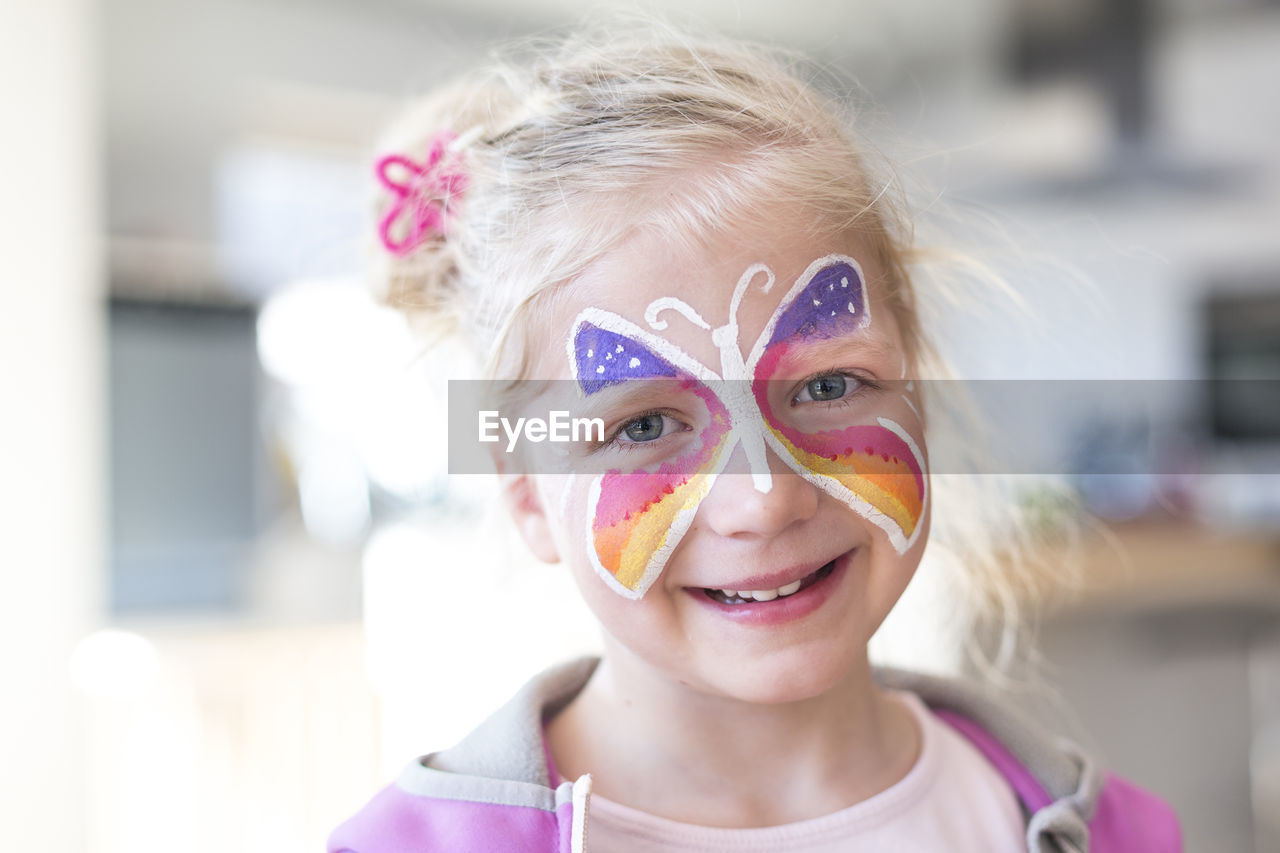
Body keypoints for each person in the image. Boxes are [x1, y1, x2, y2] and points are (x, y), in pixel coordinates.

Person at [329, 22, 1182, 853]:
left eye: (826, 385)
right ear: (526, 493)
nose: (765, 496)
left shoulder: (1102, 832)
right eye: (646, 424)